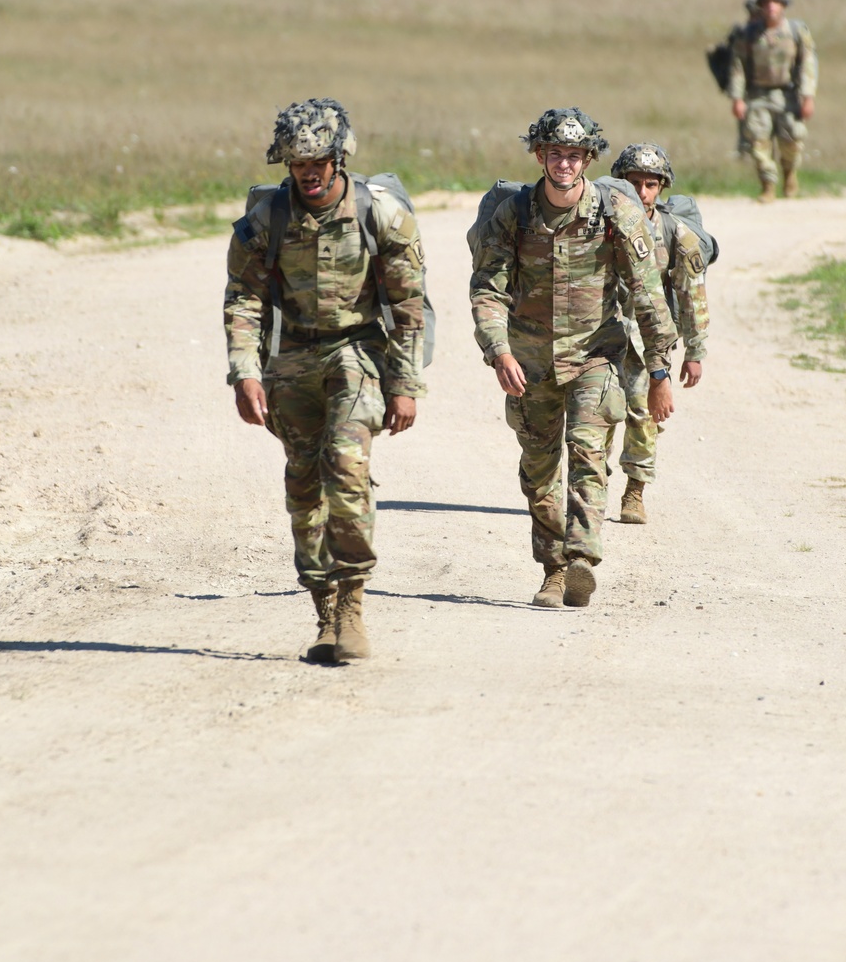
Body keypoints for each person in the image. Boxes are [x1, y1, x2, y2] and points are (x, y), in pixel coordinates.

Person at [224, 99, 426, 664]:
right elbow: (244, 299)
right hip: (291, 360)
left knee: (346, 466)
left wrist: (405, 384)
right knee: (304, 484)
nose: (308, 174)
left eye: (318, 163)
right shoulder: (268, 217)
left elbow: (410, 306)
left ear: (340, 158)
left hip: (357, 352)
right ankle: (323, 610)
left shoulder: (381, 214)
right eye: (297, 165)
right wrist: (244, 374)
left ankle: (353, 605)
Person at [469, 108, 677, 610]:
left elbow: (648, 295)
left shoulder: (615, 213)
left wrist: (659, 371)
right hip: (528, 361)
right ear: (540, 156)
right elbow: (487, 290)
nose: (565, 163)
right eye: (555, 154)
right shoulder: (513, 215)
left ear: (588, 159)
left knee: (587, 453)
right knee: (539, 472)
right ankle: (553, 569)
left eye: (575, 155)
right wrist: (498, 351)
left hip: (595, 356)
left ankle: (582, 557)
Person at [608, 143, 710, 525]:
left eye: (650, 184)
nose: (642, 192)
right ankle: (593, 486)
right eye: (633, 182)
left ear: (662, 187)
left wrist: (695, 351)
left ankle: (635, 491)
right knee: (599, 412)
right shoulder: (598, 222)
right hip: (603, 332)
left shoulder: (675, 233)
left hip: (649, 338)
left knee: (644, 415)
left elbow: (692, 294)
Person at [727, 0, 818, 203]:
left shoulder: (796, 32)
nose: (771, 7)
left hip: (787, 95)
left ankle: (789, 175)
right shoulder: (749, 35)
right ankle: (768, 185)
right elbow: (737, 67)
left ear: (783, 6)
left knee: (792, 140)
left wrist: (808, 96)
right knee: (758, 140)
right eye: (766, 3)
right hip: (758, 95)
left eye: (775, 3)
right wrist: (737, 98)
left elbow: (808, 63)